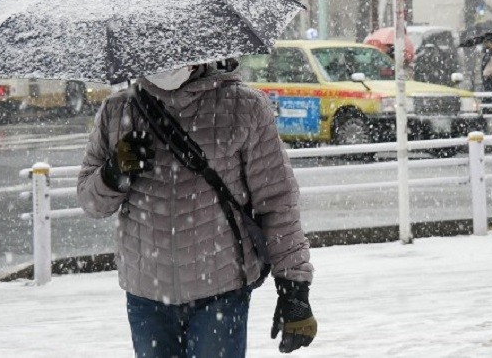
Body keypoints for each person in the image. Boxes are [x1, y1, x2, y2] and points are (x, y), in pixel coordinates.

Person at [77, 62, 316, 357]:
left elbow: (278, 202)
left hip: (221, 290)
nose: (163, 62)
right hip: (147, 295)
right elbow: (91, 203)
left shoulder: (244, 107)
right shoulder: (118, 111)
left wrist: (294, 288)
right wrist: (114, 173)